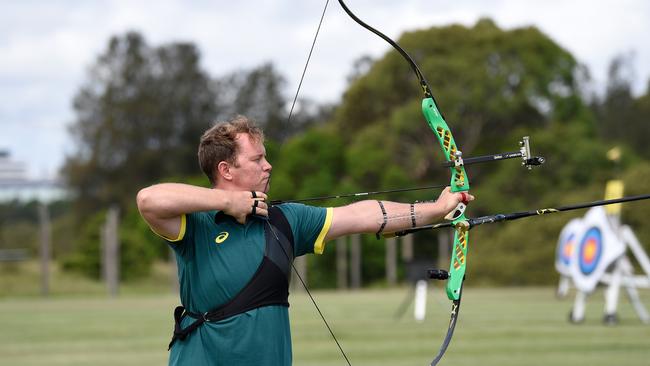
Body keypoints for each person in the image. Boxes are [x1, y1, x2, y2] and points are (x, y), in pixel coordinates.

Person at [136, 115, 474, 366]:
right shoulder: (195, 223)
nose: (268, 166)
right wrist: (227, 202)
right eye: (257, 159)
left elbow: (361, 215)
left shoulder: (285, 220)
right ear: (226, 170)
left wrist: (434, 209)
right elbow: (148, 200)